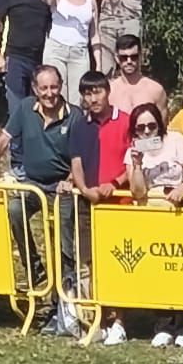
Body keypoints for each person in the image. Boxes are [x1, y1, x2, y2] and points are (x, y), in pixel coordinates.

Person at [0, 63, 78, 335]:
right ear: (35, 89)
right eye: (44, 88)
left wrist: (71, 179)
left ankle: (63, 303)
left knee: (63, 241)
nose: (49, 93)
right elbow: (3, 139)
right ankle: (34, 268)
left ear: (61, 87)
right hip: (33, 183)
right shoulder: (25, 108)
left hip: (62, 187)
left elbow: (82, 155)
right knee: (15, 209)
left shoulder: (75, 116)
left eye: (54, 87)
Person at [66, 68, 132, 342]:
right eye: (87, 93)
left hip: (120, 202)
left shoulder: (127, 121)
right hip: (88, 203)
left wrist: (114, 184)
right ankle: (99, 318)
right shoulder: (80, 124)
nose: (93, 98)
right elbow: (76, 161)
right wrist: (85, 189)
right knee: (91, 262)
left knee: (119, 261)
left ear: (108, 91)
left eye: (97, 91)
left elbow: (135, 161)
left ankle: (120, 320)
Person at [42, 0, 97, 107]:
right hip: (56, 49)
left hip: (80, 53)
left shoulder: (90, 0)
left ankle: (73, 128)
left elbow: (94, 34)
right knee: (55, 93)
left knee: (78, 98)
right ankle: (56, 128)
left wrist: (98, 63)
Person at [107, 36, 166, 119]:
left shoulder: (156, 90)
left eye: (134, 57)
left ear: (140, 56)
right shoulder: (109, 91)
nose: (129, 61)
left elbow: (162, 127)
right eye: (124, 57)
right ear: (117, 58)